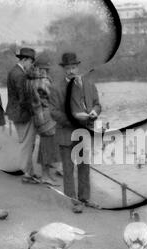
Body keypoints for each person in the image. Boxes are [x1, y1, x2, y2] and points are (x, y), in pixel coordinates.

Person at [57, 52, 102, 213]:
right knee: (68, 169)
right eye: (68, 68)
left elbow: (97, 104)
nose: (71, 71)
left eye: (74, 67)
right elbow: (53, 112)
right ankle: (73, 201)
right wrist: (74, 118)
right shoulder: (57, 88)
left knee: (84, 166)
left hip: (84, 132)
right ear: (64, 69)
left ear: (78, 67)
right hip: (66, 133)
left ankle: (85, 198)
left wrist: (95, 113)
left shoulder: (89, 85)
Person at [26, 53, 61, 185]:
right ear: (43, 69)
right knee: (47, 147)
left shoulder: (30, 80)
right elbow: (53, 98)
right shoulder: (43, 81)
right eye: (46, 69)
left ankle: (46, 175)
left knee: (45, 146)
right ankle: (46, 176)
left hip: (37, 116)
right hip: (47, 117)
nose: (47, 71)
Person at [6, 47, 37, 182]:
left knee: (25, 142)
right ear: (24, 60)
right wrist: (34, 110)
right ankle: (27, 174)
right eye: (31, 61)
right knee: (27, 143)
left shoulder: (14, 71)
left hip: (15, 112)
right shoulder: (20, 75)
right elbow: (23, 98)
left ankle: (29, 172)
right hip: (23, 114)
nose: (32, 65)